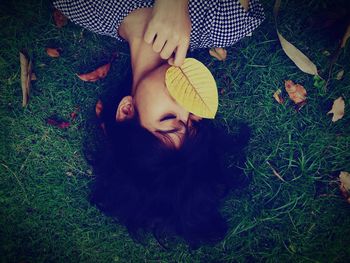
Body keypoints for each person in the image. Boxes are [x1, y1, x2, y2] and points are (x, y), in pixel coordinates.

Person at [53, 0, 264, 247]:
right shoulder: (222, 21)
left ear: (128, 110)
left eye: (169, 118)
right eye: (194, 120)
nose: (186, 103)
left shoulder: (83, 5)